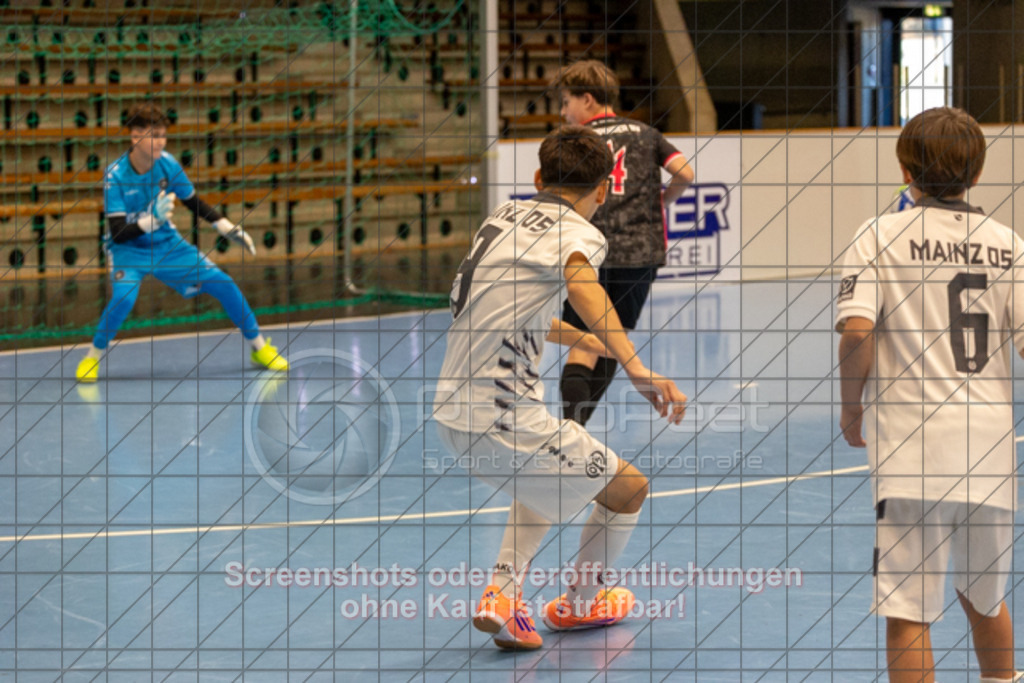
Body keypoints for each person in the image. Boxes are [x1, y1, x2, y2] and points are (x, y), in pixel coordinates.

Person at [433, 125, 687, 650]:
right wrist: (634, 365)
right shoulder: (580, 233)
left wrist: (585, 339)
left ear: (537, 178)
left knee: (547, 476)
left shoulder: (501, 220)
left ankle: (502, 598)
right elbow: (583, 285)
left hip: (451, 413)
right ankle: (582, 603)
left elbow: (505, 311)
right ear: (603, 190)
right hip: (503, 416)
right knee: (628, 488)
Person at [837, 106, 1022, 683]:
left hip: (912, 452)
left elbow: (858, 331)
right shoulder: (1008, 244)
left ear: (903, 167)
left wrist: (850, 404)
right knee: (986, 598)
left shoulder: (878, 235)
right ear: (978, 172)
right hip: (990, 452)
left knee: (908, 608)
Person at [75, 103, 288, 382]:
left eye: (163, 135)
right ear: (135, 137)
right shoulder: (114, 175)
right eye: (153, 136)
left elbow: (192, 201)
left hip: (167, 245)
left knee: (225, 284)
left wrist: (223, 225)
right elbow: (116, 232)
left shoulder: (168, 163)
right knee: (123, 298)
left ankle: (259, 348)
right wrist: (149, 222)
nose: (160, 142)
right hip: (129, 250)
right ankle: (92, 357)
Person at [551, 59, 694, 426]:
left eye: (567, 102)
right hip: (639, 253)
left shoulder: (578, 139)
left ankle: (568, 430)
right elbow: (685, 173)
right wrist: (662, 200)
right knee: (616, 343)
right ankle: (576, 431)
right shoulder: (648, 133)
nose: (564, 112)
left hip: (591, 250)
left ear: (587, 99)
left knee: (584, 344)